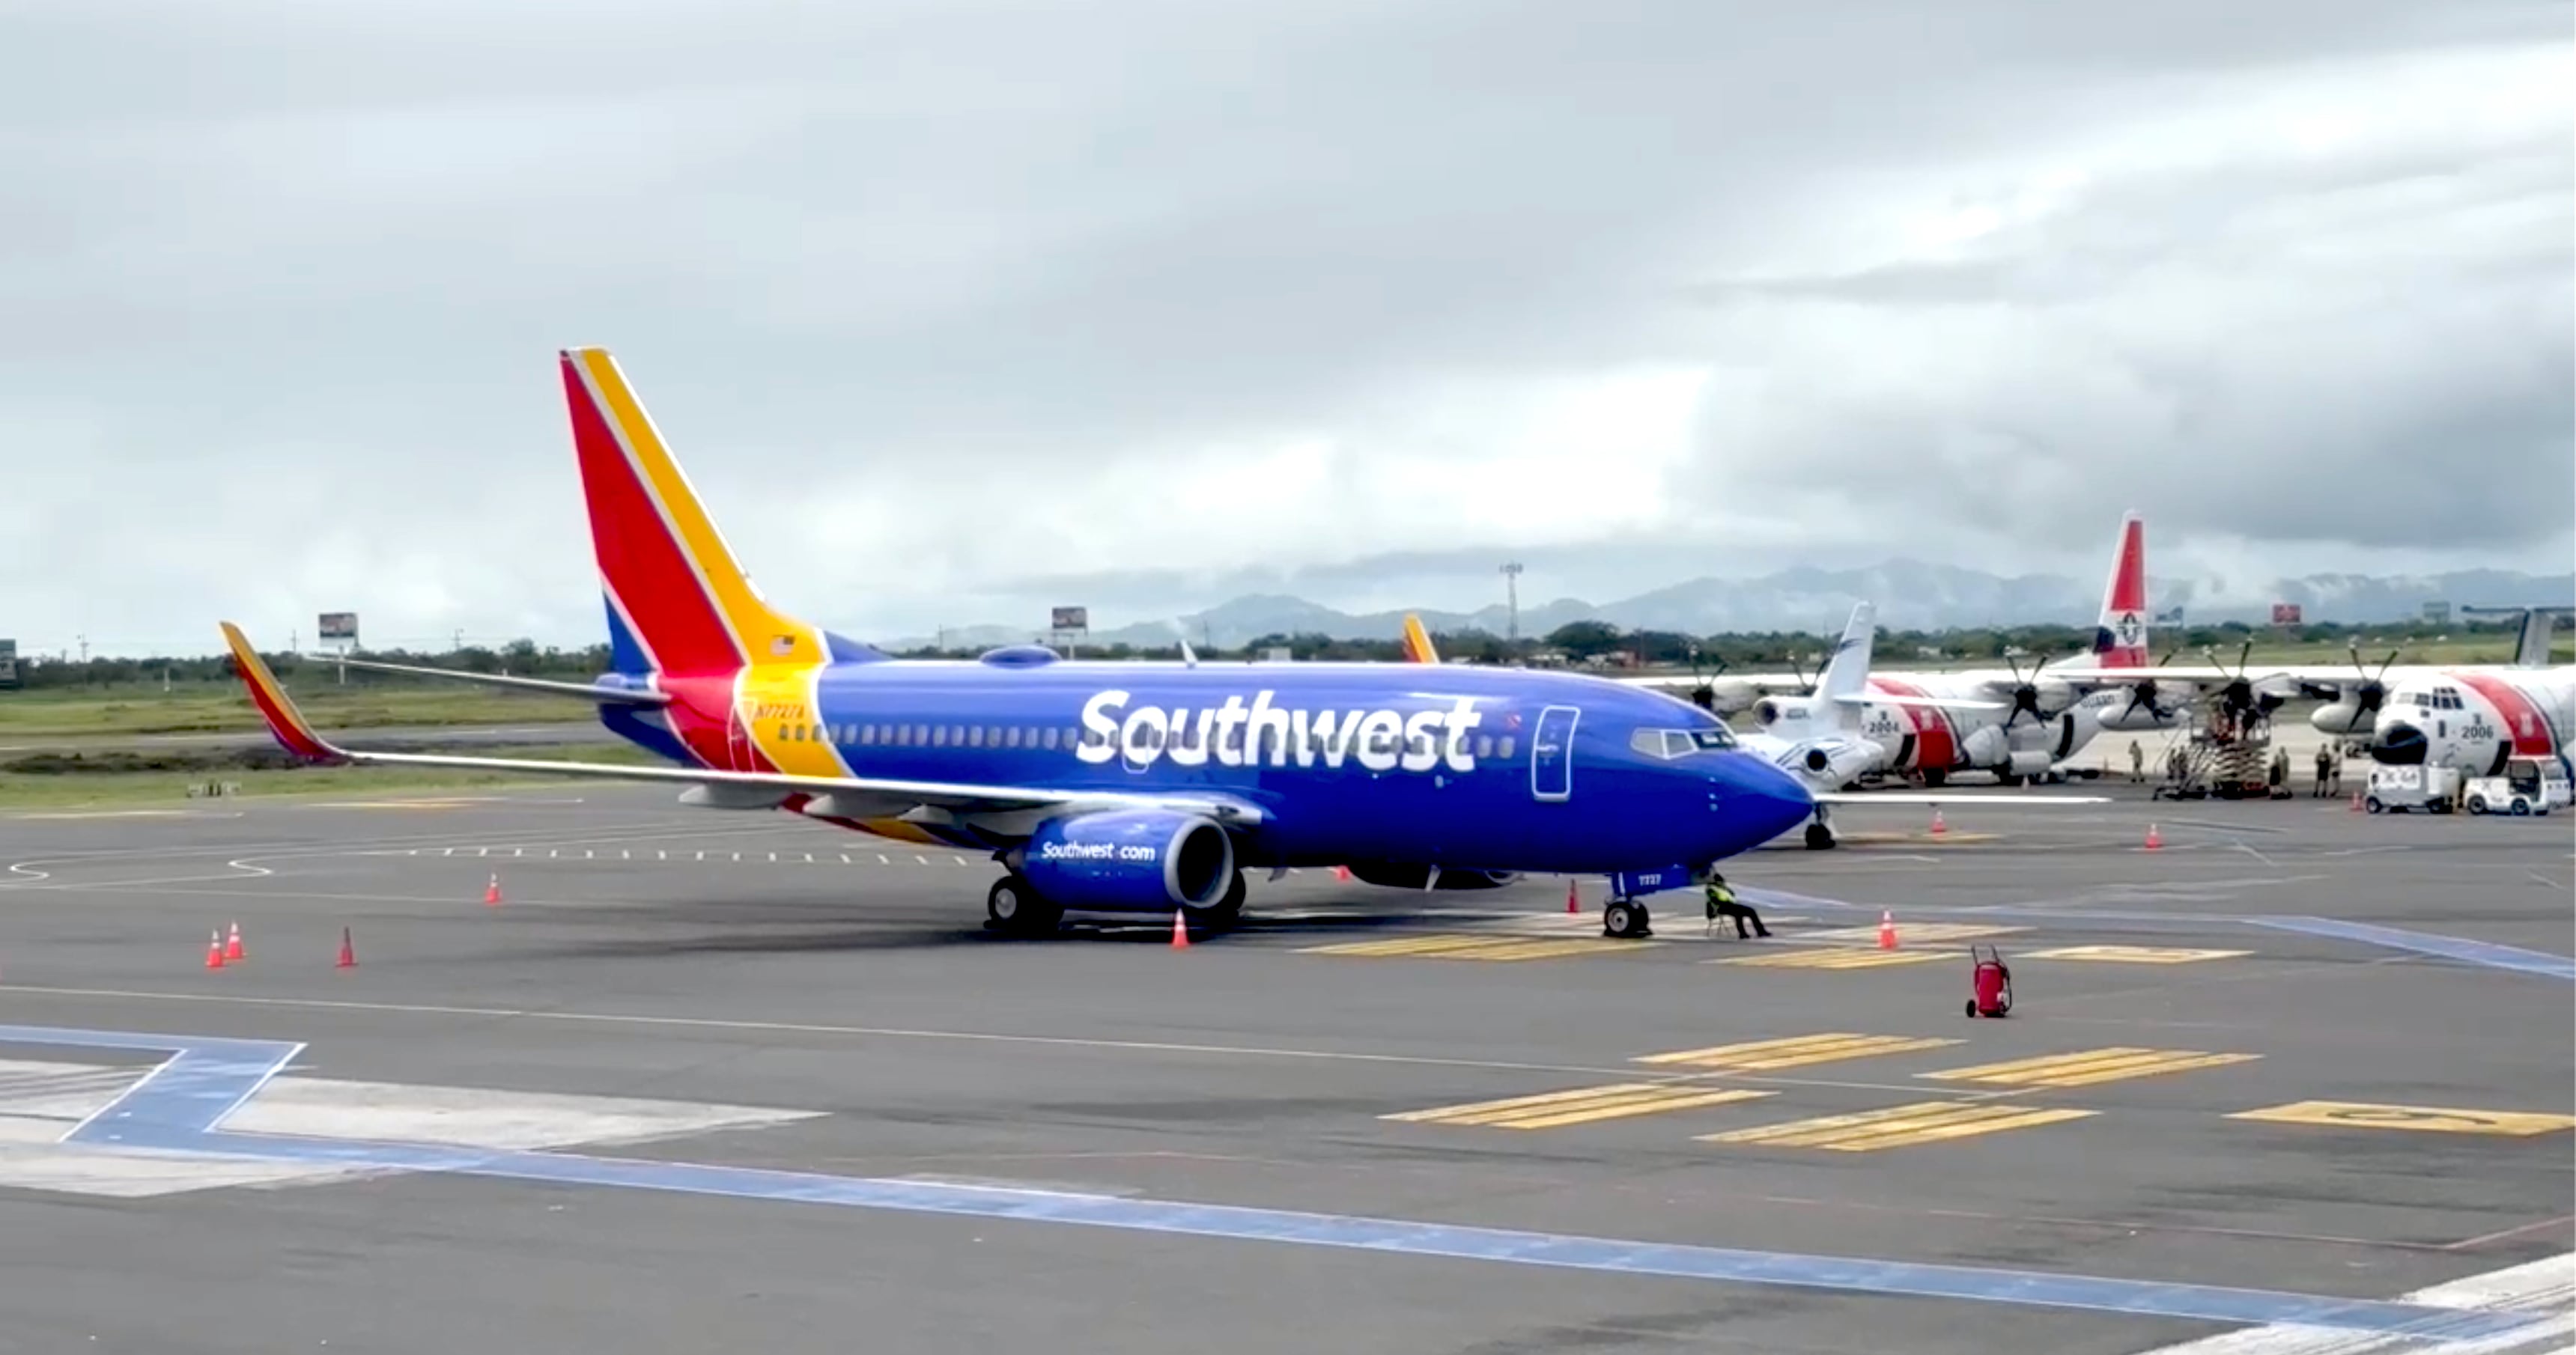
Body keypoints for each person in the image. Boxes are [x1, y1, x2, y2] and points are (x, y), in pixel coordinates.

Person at [1704, 871, 1770, 939]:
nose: (1722, 883)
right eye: (1720, 881)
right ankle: (1743, 934)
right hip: (1720, 908)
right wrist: (1728, 903)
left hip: (1731, 906)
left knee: (1751, 911)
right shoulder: (1711, 890)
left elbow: (1732, 895)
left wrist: (1726, 889)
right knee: (1738, 913)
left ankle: (1761, 931)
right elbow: (1715, 901)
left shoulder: (1723, 888)